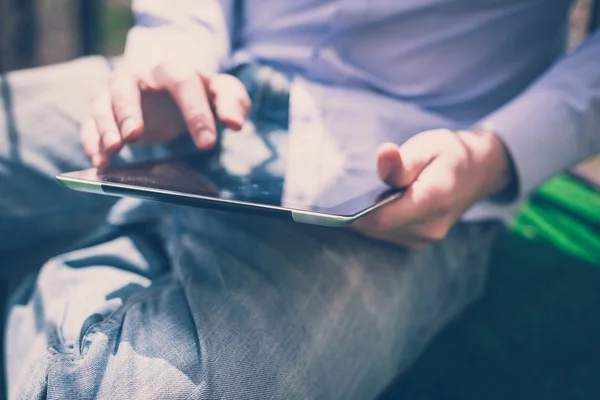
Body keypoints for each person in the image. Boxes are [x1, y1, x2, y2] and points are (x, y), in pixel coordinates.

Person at [1, 0, 598, 398]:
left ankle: (79, 271)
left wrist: (500, 152)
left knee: (130, 385)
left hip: (415, 166)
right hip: (209, 93)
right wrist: (173, 51)